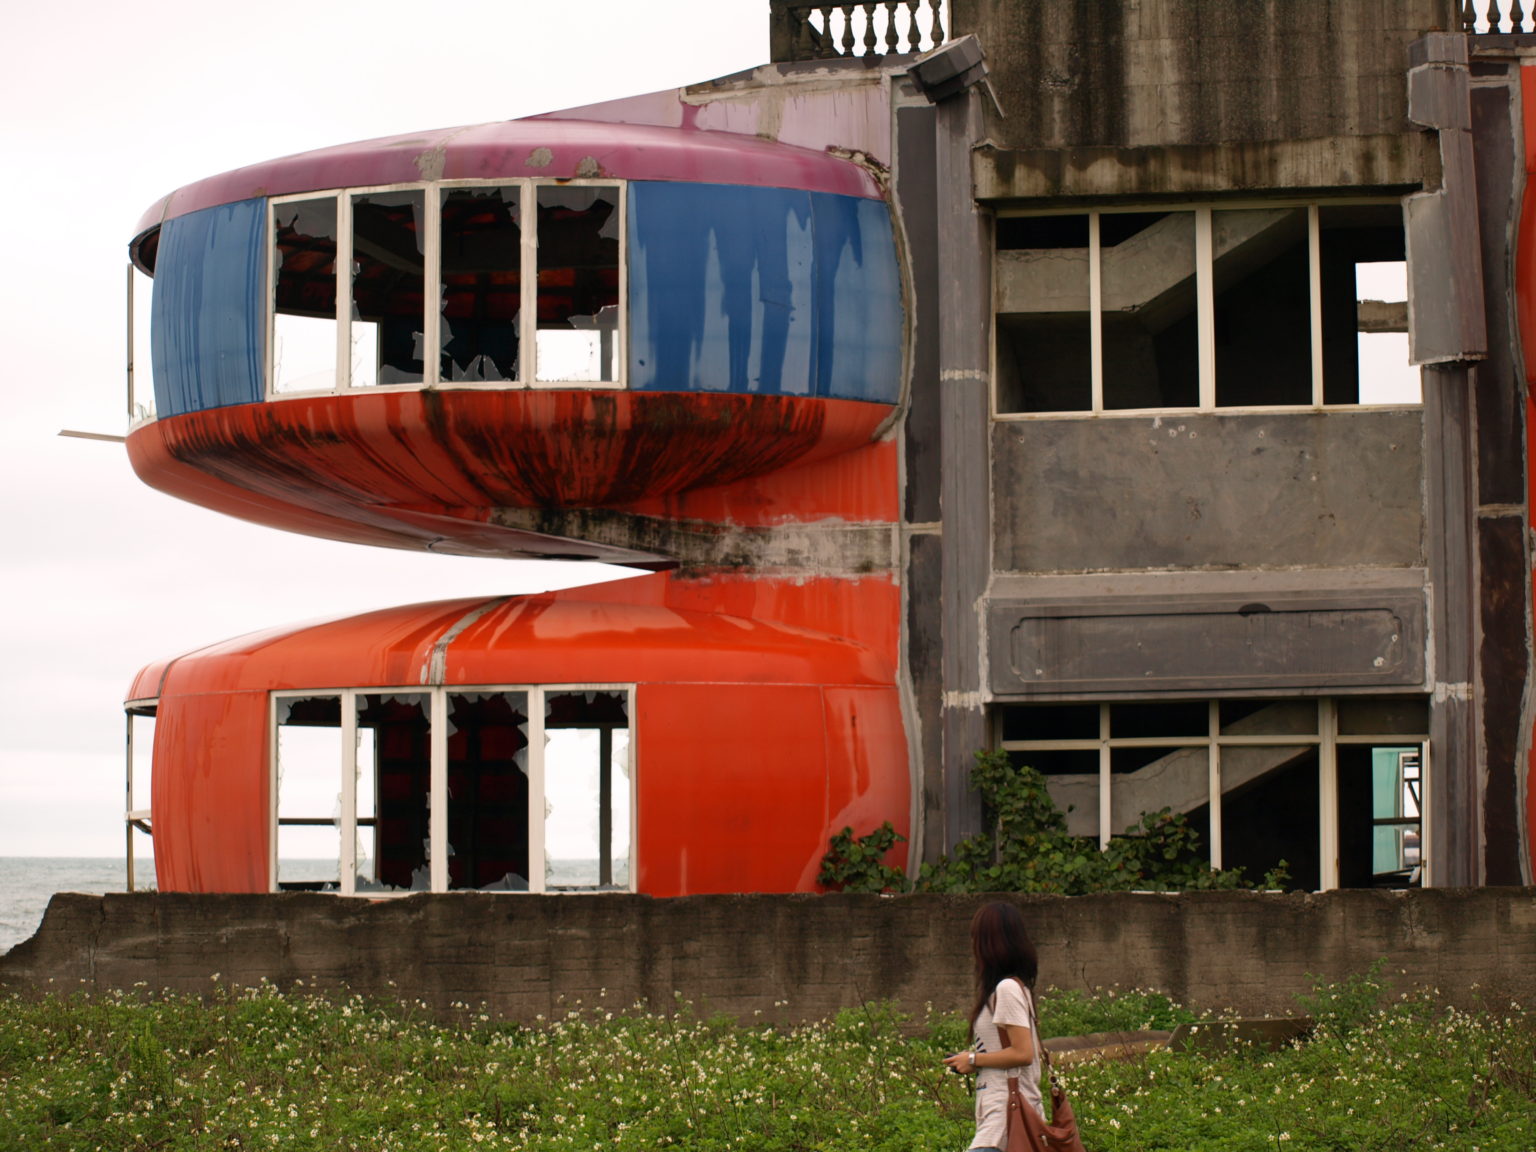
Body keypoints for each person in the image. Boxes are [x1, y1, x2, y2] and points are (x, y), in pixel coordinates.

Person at [941, 901, 1044, 1151]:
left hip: (1006, 1120)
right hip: (1002, 1117)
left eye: (976, 937)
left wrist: (974, 1059)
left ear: (989, 943)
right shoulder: (1011, 988)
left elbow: (1023, 1053)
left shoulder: (1007, 989)